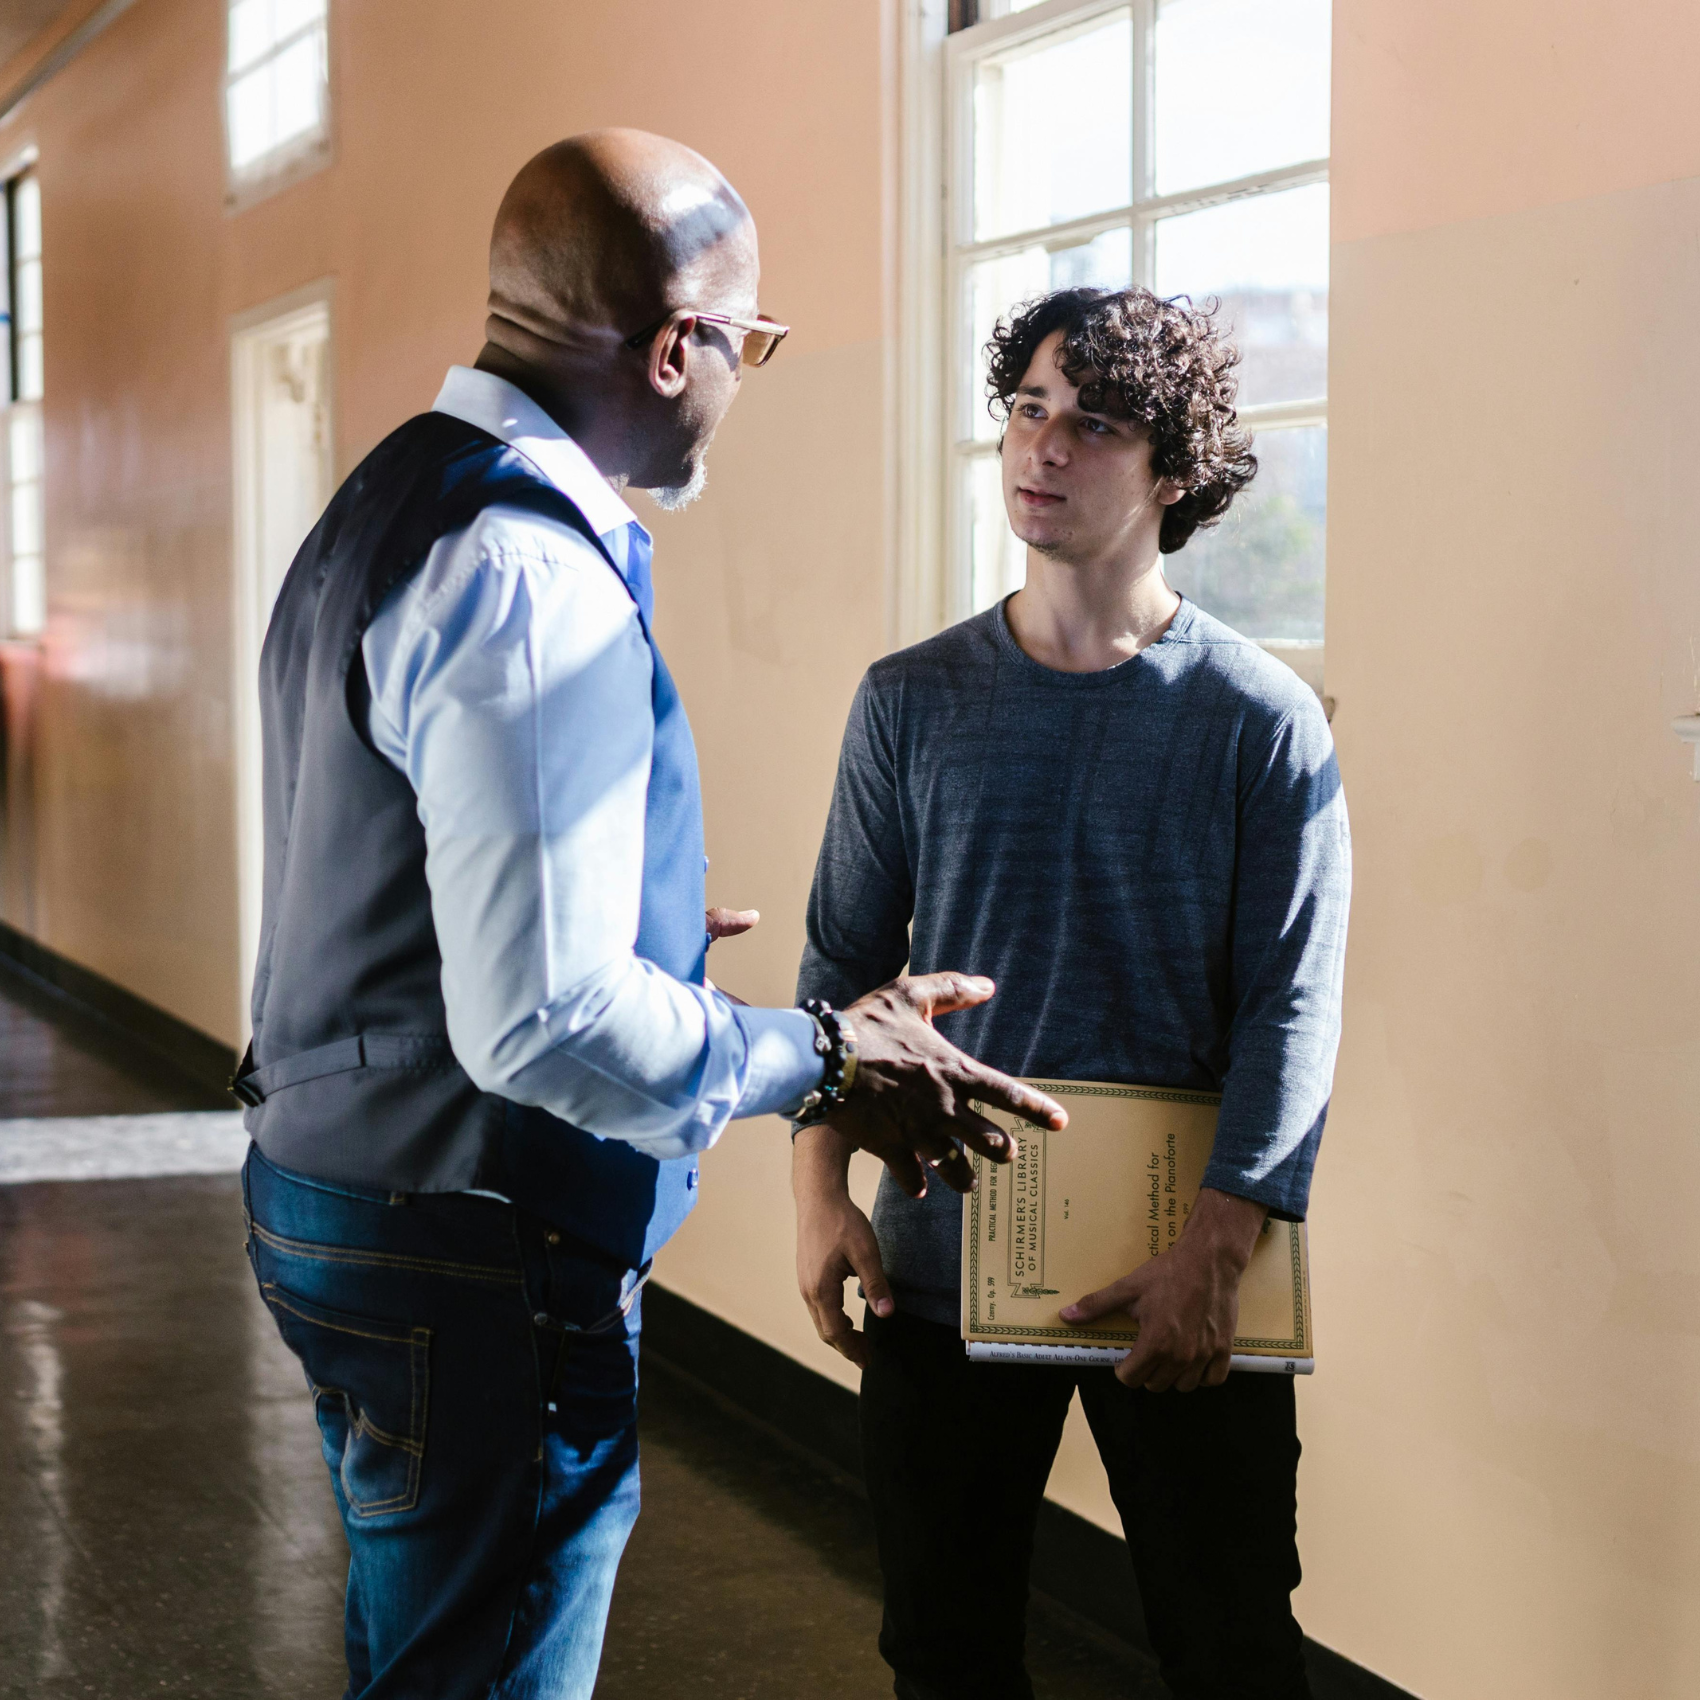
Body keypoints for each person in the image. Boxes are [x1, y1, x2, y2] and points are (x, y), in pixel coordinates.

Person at [235, 130, 1064, 1700]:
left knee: (421, 1652)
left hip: (344, 1186)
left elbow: (413, 874)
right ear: (674, 344)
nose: (745, 379)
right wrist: (818, 1053)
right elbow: (538, 1017)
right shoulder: (530, 573)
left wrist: (650, 954)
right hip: (472, 1246)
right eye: (748, 343)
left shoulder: (393, 498)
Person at [792, 285, 1351, 1700]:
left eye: (1091, 424)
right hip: (946, 1258)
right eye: (1026, 411)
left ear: (1174, 472)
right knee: (945, 1647)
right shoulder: (909, 699)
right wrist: (819, 1193)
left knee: (1229, 1649)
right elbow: (840, 970)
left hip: (1187, 1260)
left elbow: (1294, 1004)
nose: (1041, 448)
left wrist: (1217, 1254)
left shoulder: (1256, 719)